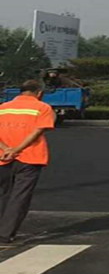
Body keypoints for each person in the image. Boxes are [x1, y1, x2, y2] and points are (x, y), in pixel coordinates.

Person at [0, 79, 56, 244]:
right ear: (39, 93)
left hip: (3, 157)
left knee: (3, 193)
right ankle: (5, 233)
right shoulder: (42, 108)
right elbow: (38, 131)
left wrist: (6, 149)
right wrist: (17, 149)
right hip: (29, 157)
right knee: (20, 196)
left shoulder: (3, 107)